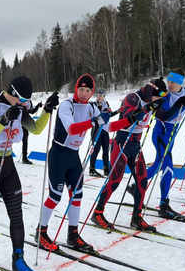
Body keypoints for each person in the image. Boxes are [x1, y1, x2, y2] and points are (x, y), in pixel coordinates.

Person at [35, 74, 136, 252]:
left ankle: (72, 234)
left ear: (91, 92)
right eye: (81, 89)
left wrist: (131, 119)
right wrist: (94, 121)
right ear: (76, 89)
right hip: (58, 155)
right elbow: (72, 129)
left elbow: (109, 127)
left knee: (77, 196)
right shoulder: (67, 106)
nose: (84, 93)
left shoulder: (91, 107)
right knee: (54, 197)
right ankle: (41, 232)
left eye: (88, 90)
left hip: (74, 157)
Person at [0, 76, 58, 271]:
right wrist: (3, 121)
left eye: (26, 102)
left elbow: (36, 129)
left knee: (16, 213)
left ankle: (18, 259)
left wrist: (47, 110)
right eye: (21, 100)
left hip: (8, 163)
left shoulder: (20, 108)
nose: (24, 105)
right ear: (12, 93)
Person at [91, 78, 169, 233]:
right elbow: (128, 118)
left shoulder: (152, 100)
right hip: (121, 144)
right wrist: (147, 108)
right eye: (158, 96)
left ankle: (136, 218)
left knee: (142, 180)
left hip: (136, 146)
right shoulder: (133, 98)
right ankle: (97, 213)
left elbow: (164, 116)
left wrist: (181, 104)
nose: (159, 99)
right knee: (115, 180)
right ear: (150, 90)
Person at [139, 69, 185, 218]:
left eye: (173, 82)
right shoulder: (164, 95)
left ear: (181, 82)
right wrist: (181, 104)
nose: (169, 84)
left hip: (172, 134)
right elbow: (165, 117)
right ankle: (164, 205)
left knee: (157, 165)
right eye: (169, 81)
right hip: (161, 134)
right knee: (168, 168)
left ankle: (136, 185)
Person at [89, 89, 112, 177]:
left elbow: (108, 116)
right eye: (97, 95)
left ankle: (106, 169)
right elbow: (91, 116)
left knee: (106, 149)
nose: (99, 97)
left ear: (104, 96)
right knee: (96, 149)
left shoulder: (106, 104)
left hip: (104, 129)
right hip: (96, 129)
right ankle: (92, 169)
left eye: (101, 95)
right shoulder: (93, 104)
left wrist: (117, 111)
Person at [20, 99, 42, 164]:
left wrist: (37, 106)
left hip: (25, 122)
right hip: (17, 121)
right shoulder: (20, 98)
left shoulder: (29, 101)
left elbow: (31, 111)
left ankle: (24, 158)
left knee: (25, 140)